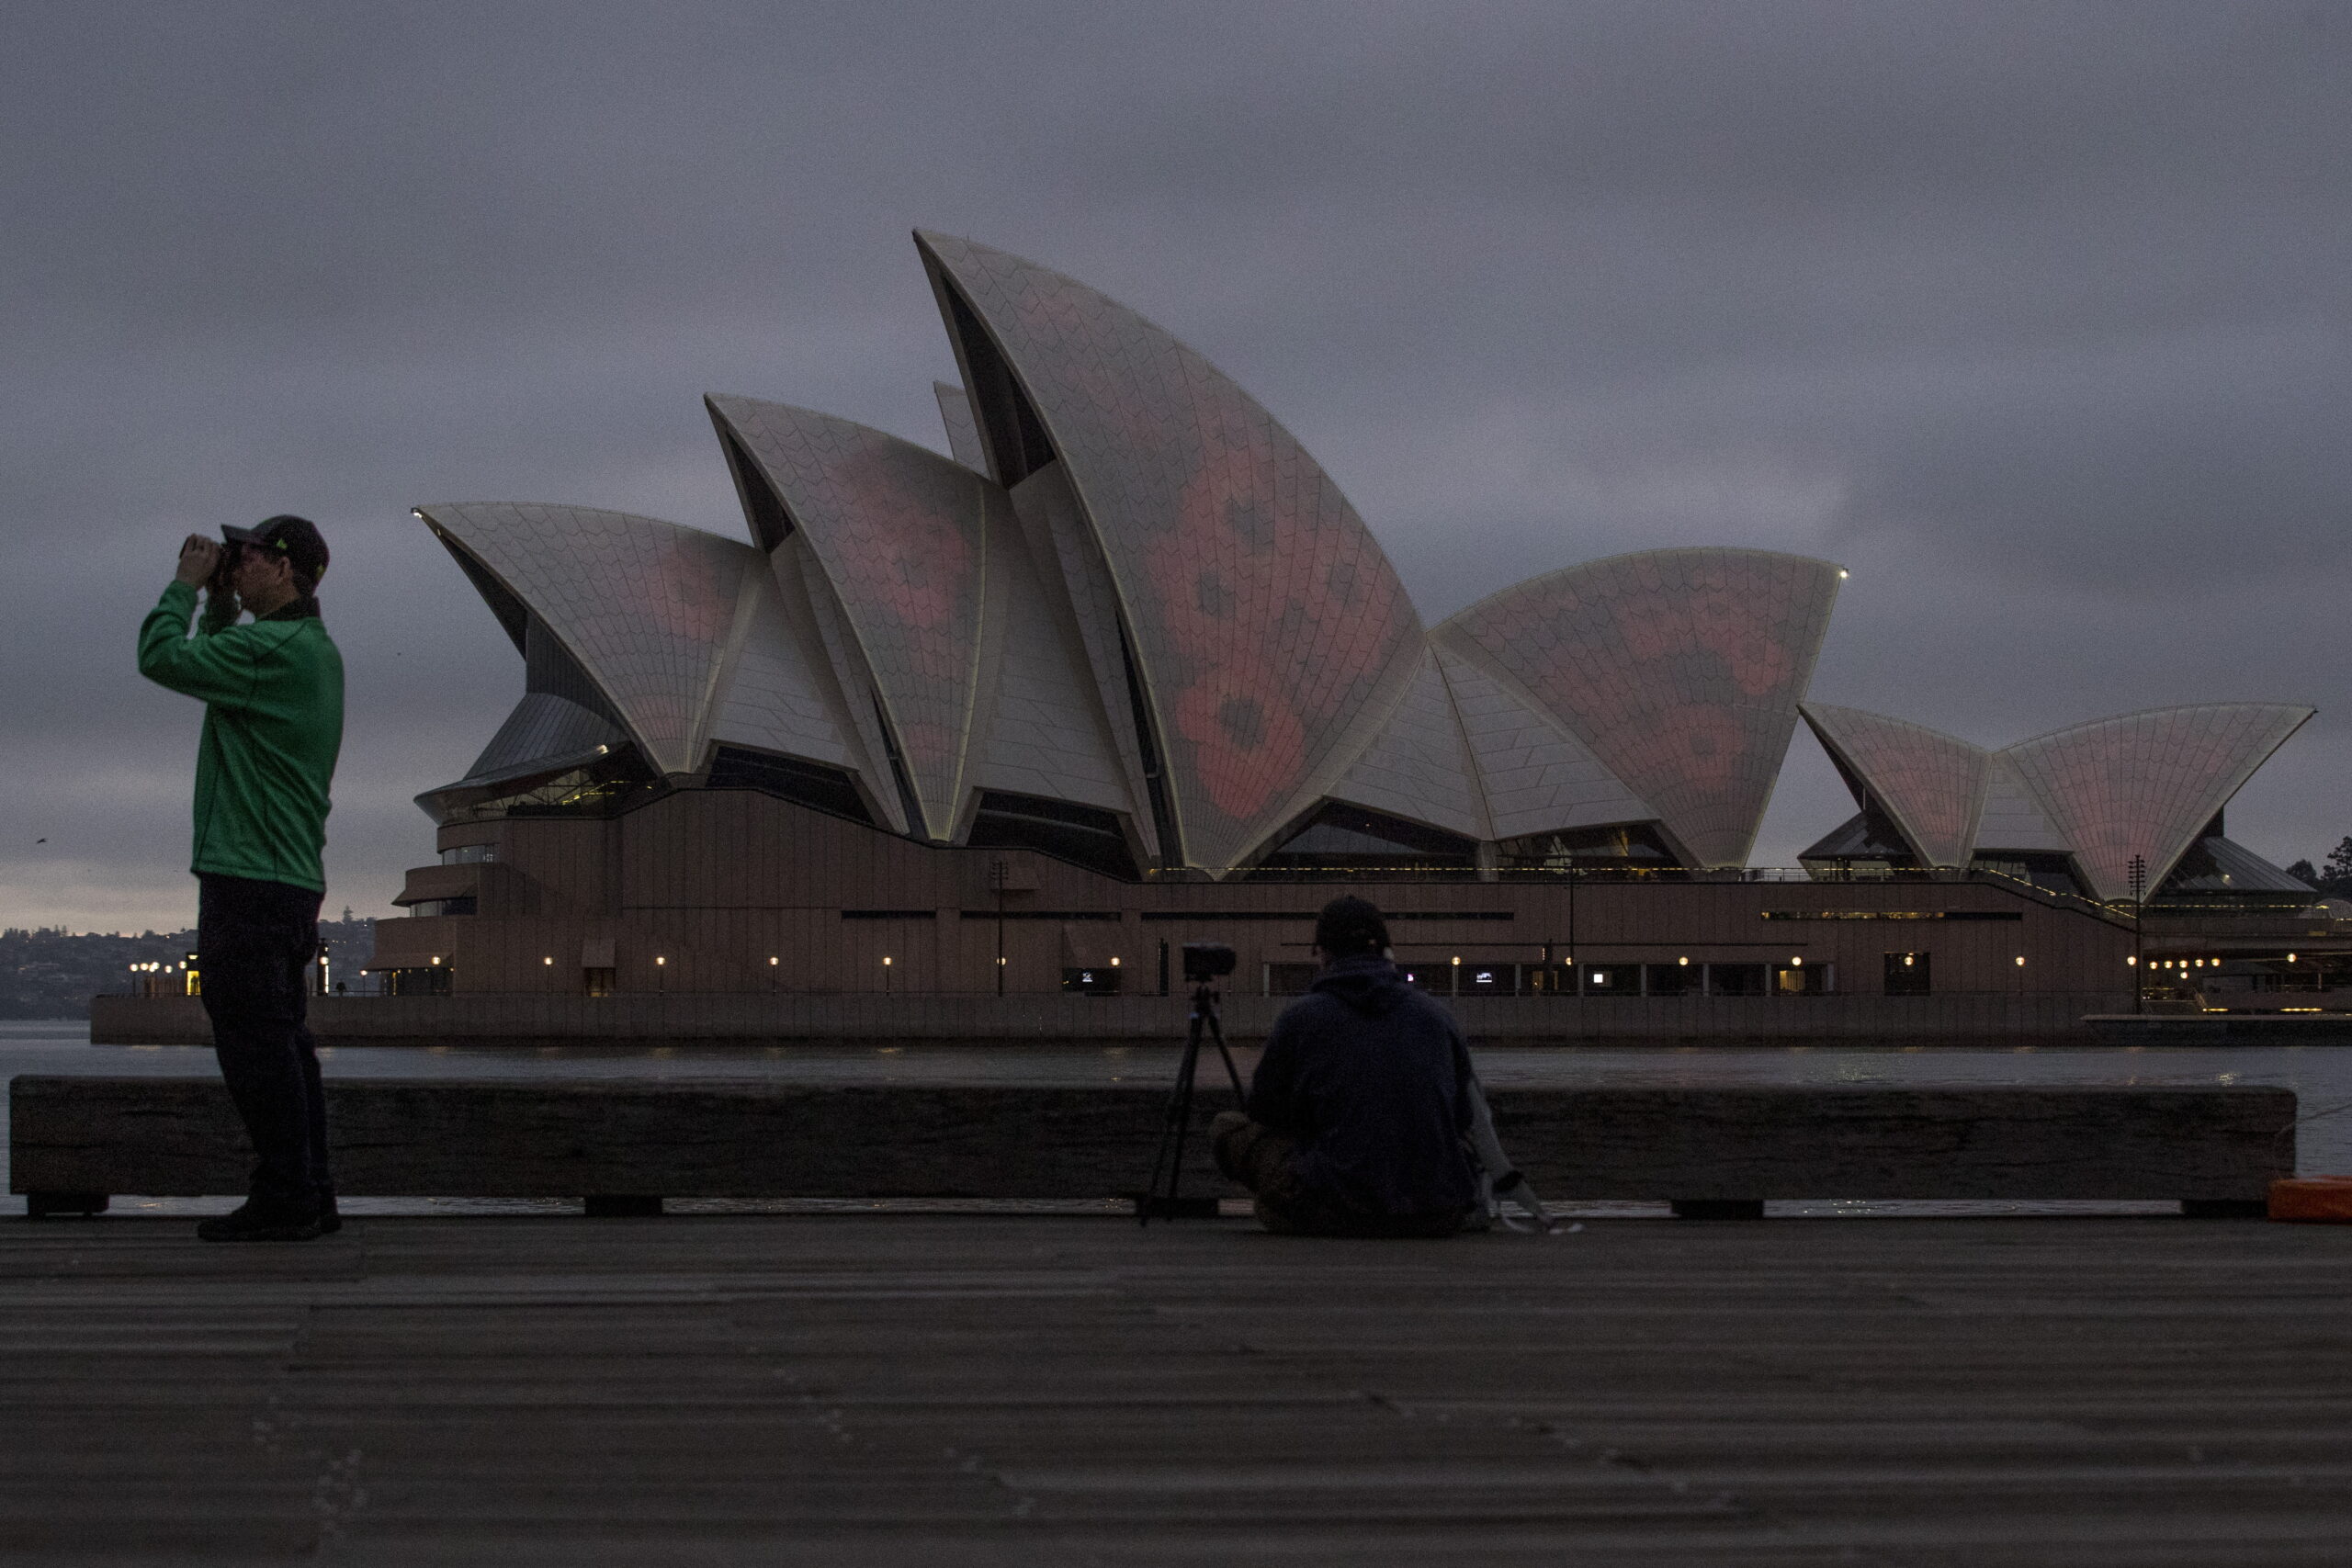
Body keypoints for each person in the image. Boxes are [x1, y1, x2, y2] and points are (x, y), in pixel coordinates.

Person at [138, 516, 344, 1242]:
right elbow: (224, 658)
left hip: (249, 875)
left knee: (254, 1044)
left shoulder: (272, 651)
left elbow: (163, 657)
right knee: (284, 1041)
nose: (237, 560)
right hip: (287, 877)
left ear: (284, 569)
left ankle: (286, 1193)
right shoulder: (306, 649)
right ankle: (309, 1190)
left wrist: (186, 587)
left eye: (248, 553)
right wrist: (224, 600)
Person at [1213, 896, 1478, 1237]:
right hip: (1436, 1213)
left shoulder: (1302, 1017)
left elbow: (1264, 1110)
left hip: (1339, 1209)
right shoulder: (1436, 1016)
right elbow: (1463, 1117)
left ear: (1322, 953)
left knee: (1227, 1127)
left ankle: (1288, 1208)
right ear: (1386, 951)